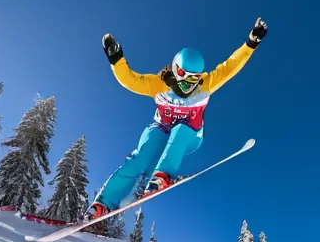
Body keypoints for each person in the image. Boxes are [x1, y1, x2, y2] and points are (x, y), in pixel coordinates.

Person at [86, 18, 268, 219]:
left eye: (193, 78)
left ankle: (163, 174)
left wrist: (251, 43)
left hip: (189, 135)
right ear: (174, 69)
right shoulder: (158, 84)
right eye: (182, 73)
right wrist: (116, 58)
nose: (187, 82)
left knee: (180, 130)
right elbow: (131, 80)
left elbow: (229, 67)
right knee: (141, 158)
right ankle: (103, 204)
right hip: (161, 129)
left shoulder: (206, 86)